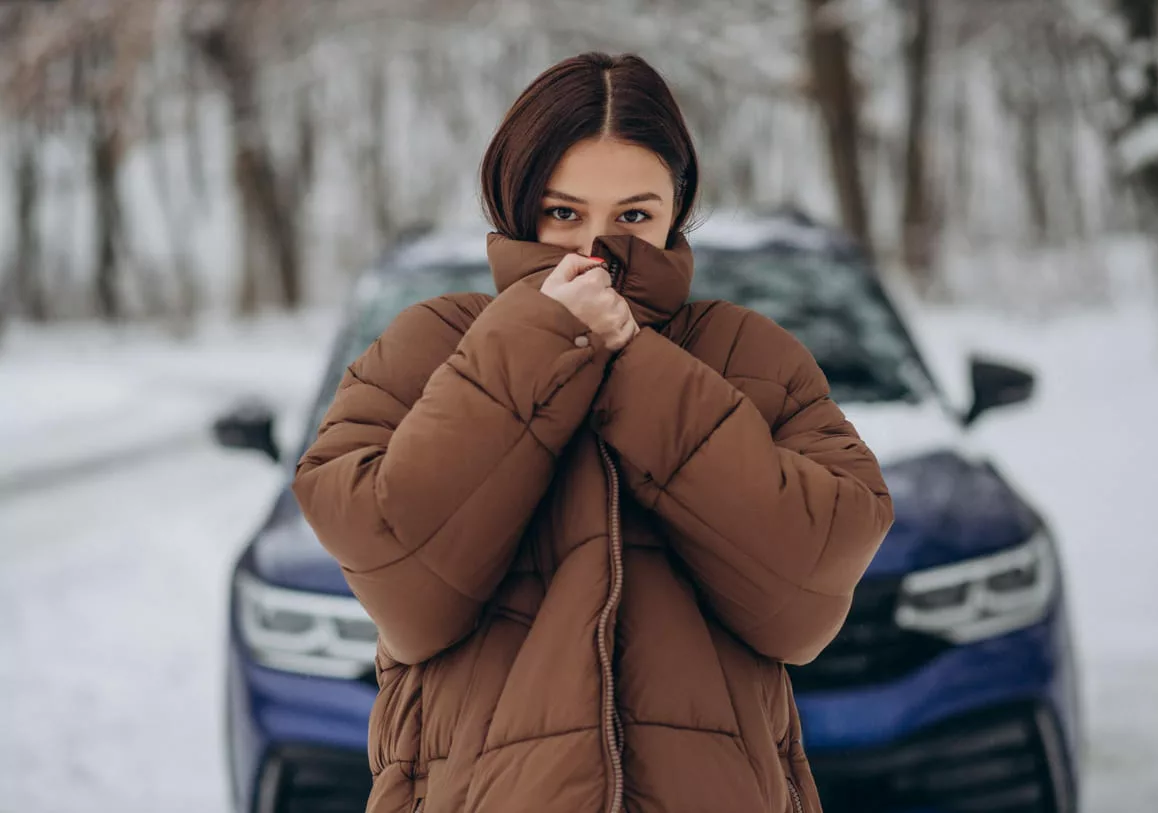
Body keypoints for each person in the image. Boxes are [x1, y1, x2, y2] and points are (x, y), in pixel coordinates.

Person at [293, 52, 893, 813]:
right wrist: (542, 339)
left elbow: (807, 591)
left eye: (633, 217)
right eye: (564, 214)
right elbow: (407, 585)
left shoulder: (752, 355)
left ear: (677, 208)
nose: (596, 252)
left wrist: (638, 369)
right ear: (516, 206)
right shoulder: (426, 346)